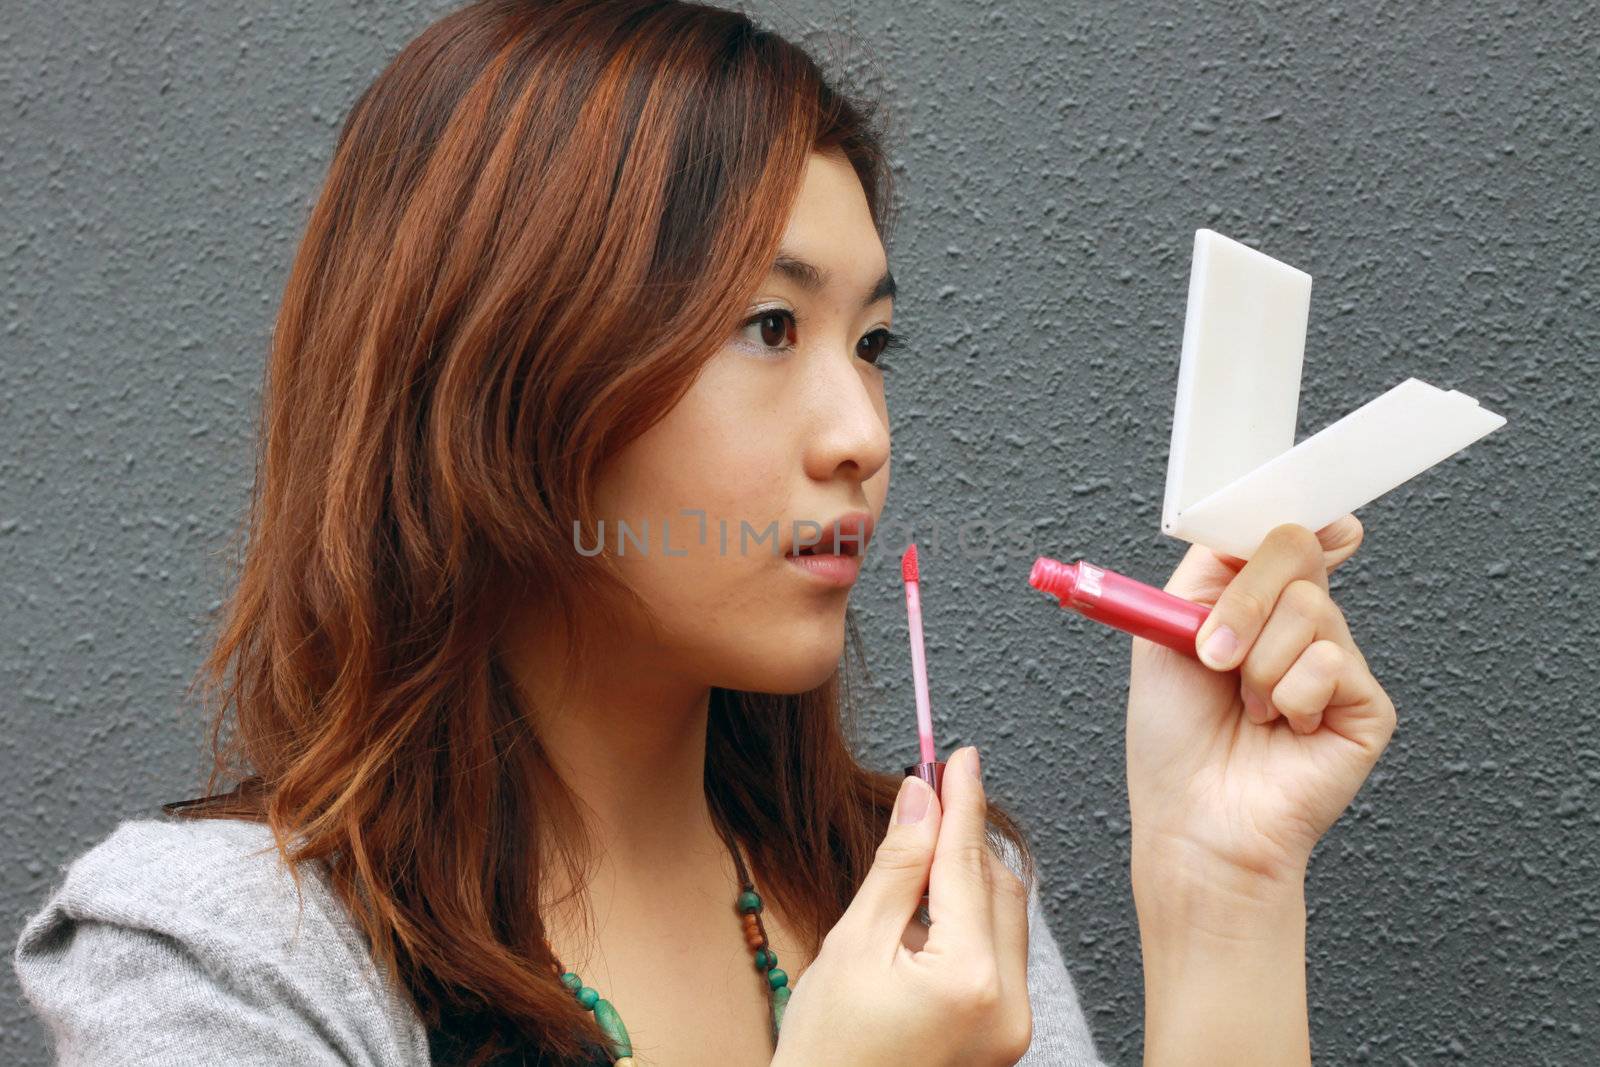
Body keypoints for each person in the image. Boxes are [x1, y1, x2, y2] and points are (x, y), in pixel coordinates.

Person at [13, 2, 1396, 1064]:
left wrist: (1223, 891)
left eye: (874, 342)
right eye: (768, 327)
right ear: (506, 370)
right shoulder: (220, 960)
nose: (861, 429)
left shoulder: (935, 914)